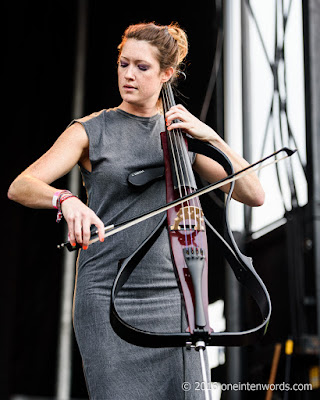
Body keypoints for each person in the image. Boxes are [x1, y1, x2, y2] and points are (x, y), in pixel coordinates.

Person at [8, 22, 264, 400]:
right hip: (107, 292)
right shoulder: (93, 130)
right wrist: (67, 199)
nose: (128, 74)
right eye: (123, 63)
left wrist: (210, 137)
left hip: (177, 292)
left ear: (166, 74)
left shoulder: (184, 136)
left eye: (141, 67)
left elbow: (252, 193)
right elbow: (22, 185)